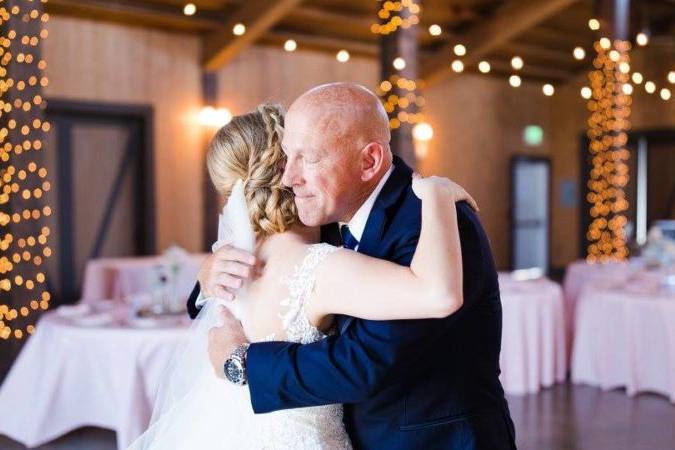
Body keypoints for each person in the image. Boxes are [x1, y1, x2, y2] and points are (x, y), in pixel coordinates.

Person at [191, 83, 516, 450]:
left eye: (308, 158)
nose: (288, 177)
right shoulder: (325, 218)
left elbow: (365, 361)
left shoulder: (433, 225)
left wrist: (242, 365)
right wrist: (206, 278)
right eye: (286, 156)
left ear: (369, 161)